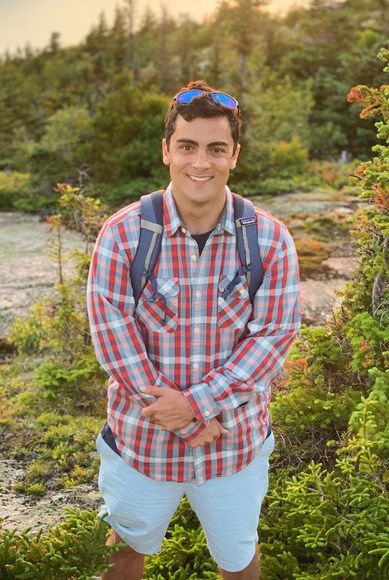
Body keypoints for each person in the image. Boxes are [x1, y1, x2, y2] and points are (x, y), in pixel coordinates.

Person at [87, 80, 301, 580]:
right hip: (141, 444)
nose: (200, 163)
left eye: (215, 149)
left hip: (234, 446)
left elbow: (273, 336)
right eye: (187, 146)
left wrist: (197, 405)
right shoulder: (123, 233)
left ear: (234, 156)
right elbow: (113, 338)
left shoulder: (269, 239)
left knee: (238, 560)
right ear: (166, 150)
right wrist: (187, 421)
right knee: (123, 554)